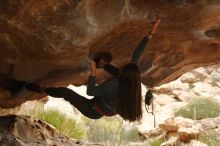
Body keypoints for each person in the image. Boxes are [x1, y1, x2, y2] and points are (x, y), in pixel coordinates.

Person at [1, 18, 161, 122]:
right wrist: (151, 31)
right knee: (115, 72)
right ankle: (103, 64)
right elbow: (136, 55)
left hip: (93, 110)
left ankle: (29, 87)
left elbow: (91, 92)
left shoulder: (115, 84)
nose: (125, 65)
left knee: (65, 93)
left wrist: (93, 71)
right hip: (106, 106)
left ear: (125, 75)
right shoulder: (131, 80)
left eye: (124, 68)